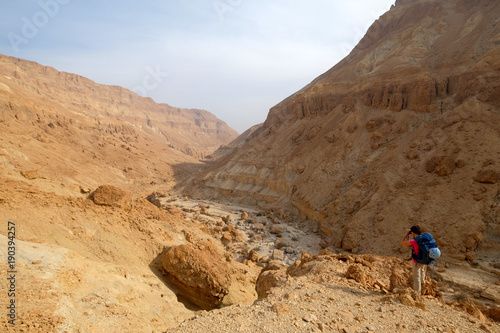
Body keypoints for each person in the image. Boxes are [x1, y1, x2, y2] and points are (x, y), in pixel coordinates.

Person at [400, 225, 426, 294]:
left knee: (416, 277)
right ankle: (423, 282)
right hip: (424, 259)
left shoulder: (414, 241)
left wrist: (406, 234)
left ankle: (417, 293)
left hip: (416, 261)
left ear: (413, 232)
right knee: (422, 271)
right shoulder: (424, 238)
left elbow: (402, 242)